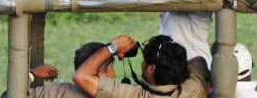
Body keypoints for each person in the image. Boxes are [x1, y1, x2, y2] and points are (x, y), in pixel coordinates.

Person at [73, 35, 209, 98]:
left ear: (151, 69)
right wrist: (172, 66)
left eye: (145, 61)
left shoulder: (132, 95)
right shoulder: (195, 87)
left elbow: (81, 76)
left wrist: (114, 47)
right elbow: (200, 60)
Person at [1, 42, 116, 98]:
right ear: (101, 73)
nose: (114, 74)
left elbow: (9, 96)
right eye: (111, 69)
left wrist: (32, 74)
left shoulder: (56, 91)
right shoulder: (119, 93)